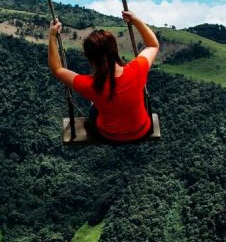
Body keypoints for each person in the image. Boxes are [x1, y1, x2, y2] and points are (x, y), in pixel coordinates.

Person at [48, 11, 159, 143]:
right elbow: (153, 45)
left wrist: (52, 36)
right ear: (115, 49)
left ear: (88, 56)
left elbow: (57, 69)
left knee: (94, 108)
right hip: (142, 131)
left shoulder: (90, 85)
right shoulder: (137, 69)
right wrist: (135, 20)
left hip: (108, 136)